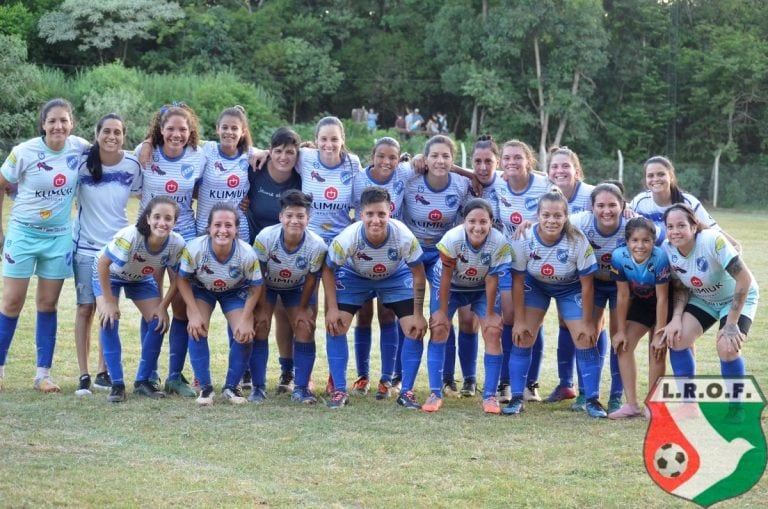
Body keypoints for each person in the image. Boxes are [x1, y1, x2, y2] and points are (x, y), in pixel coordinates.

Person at [0, 98, 89, 393]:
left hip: (58, 237)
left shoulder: (79, 147)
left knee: (47, 304)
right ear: (43, 124)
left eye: (64, 120)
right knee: (12, 302)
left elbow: (110, 148)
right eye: (52, 121)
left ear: (71, 123)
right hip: (23, 234)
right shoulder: (23, 152)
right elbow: (1, 183)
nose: (58, 126)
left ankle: (43, 375)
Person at [504, 188, 606, 418]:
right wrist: (519, 321)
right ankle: (517, 398)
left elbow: (588, 285)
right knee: (524, 334)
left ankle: (592, 399)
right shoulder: (524, 237)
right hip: (536, 285)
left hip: (570, 287)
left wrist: (589, 322)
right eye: (546, 215)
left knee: (584, 337)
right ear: (537, 216)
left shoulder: (577, 240)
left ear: (566, 216)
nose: (552, 220)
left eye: (558, 215)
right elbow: (518, 281)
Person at [322, 186, 427, 409]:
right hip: (354, 275)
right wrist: (331, 308)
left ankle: (406, 391)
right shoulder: (348, 238)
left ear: (390, 212)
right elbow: (328, 270)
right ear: (361, 215)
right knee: (336, 325)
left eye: (381, 214)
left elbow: (418, 273)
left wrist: (418, 313)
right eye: (370, 214)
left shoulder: (403, 235)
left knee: (414, 329)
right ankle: (339, 391)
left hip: (394, 276)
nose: (376, 220)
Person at [72, 113, 142, 396]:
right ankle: (83, 375)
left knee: (108, 310)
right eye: (107, 131)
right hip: (85, 248)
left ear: (124, 136)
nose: (112, 137)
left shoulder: (133, 165)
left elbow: (145, 195)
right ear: (97, 133)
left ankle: (103, 371)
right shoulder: (80, 162)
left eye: (118, 132)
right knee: (85, 309)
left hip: (116, 251)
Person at [138, 104, 205, 397]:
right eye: (171, 129)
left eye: (182, 129)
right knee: (151, 305)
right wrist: (147, 143)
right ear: (160, 131)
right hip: (149, 239)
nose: (177, 134)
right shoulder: (146, 154)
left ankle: (175, 376)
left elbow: (241, 149)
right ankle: (147, 374)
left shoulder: (200, 156)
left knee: (180, 306)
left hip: (184, 237)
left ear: (190, 133)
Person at [94, 196, 186, 402]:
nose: (162, 222)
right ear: (147, 218)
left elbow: (179, 278)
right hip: (111, 274)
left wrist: (163, 306)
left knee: (158, 321)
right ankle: (116, 384)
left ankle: (143, 381)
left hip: (140, 277)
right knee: (109, 319)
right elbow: (102, 264)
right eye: (157, 217)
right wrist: (108, 302)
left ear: (175, 222)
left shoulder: (177, 243)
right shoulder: (130, 236)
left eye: (168, 218)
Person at [426, 198, 511, 414]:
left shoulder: (499, 242)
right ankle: (435, 393)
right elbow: (445, 277)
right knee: (439, 328)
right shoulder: (452, 238)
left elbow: (493, 280)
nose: (477, 227)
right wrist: (442, 313)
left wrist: (491, 314)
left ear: (491, 222)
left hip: (482, 286)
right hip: (451, 285)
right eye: (472, 221)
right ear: (464, 221)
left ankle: (490, 396)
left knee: (492, 331)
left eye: (483, 222)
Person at [401, 135, 471, 396]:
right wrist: (409, 160)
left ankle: (448, 379)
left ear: (453, 161)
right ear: (425, 159)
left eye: (446, 156)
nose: (440, 161)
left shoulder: (462, 184)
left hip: (444, 255)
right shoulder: (410, 178)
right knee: (407, 311)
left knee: (441, 313)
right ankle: (397, 376)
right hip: (413, 253)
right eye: (434, 156)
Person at [348, 137, 416, 399]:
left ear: (399, 160)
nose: (387, 161)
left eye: (392, 157)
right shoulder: (357, 178)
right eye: (381, 156)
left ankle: (386, 379)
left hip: (392, 256)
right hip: (361, 255)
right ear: (372, 156)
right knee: (363, 316)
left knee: (387, 316)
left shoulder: (403, 173)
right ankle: (362, 376)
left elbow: (435, 162)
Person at [659, 204, 758, 383]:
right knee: (677, 339)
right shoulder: (668, 248)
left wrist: (731, 323)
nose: (675, 231)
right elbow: (680, 286)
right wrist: (676, 318)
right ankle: (689, 404)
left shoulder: (712, 241)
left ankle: (737, 408)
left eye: (681, 225)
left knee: (727, 347)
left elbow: (744, 279)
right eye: (670, 227)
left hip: (736, 297)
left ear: (694, 226)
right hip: (704, 299)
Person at [176, 203, 263, 406]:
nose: (222, 230)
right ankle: (205, 388)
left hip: (234, 291)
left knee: (244, 334)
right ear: (209, 228)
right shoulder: (195, 248)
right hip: (202, 289)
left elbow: (256, 286)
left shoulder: (247, 254)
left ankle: (232, 386)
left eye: (228, 225)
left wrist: (246, 318)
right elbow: (181, 279)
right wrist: (193, 312)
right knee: (196, 328)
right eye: (217, 225)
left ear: (236, 229)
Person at [252, 190, 327, 404]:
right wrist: (262, 308)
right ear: (281, 217)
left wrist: (303, 309)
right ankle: (258, 387)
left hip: (298, 287)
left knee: (304, 326)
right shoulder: (266, 237)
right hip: (268, 286)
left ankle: (301, 387)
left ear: (308, 219)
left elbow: (312, 279)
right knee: (260, 325)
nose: (295, 220)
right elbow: (259, 275)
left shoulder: (317, 245)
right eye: (290, 215)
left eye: (300, 216)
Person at [244, 127, 303, 393]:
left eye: (289, 152)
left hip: (290, 252)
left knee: (283, 312)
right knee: (255, 312)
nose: (283, 157)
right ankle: (246, 369)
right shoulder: (255, 170)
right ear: (269, 152)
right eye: (277, 151)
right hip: (256, 253)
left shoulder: (301, 177)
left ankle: (287, 370)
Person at [494, 139, 550, 403]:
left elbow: (560, 211)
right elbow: (473, 173)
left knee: (533, 324)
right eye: (507, 158)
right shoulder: (497, 182)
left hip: (538, 264)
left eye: (518, 157)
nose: (512, 162)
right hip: (508, 262)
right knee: (509, 317)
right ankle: (504, 383)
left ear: (529, 161)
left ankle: (531, 384)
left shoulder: (544, 185)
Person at [543, 146, 596, 407]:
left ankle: (588, 390)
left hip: (590, 269)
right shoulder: (545, 192)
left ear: (577, 170)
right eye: (555, 166)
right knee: (565, 324)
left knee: (593, 326)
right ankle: (567, 384)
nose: (560, 170)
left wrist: (627, 211)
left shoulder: (590, 194)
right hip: (558, 270)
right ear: (548, 171)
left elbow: (615, 205)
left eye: (566, 166)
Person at [570, 183, 630, 415]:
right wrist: (528, 225)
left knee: (619, 335)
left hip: (621, 287)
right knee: (588, 333)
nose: (607, 211)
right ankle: (585, 392)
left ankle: (616, 396)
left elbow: (661, 233)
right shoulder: (581, 222)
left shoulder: (630, 225)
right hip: (591, 284)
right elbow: (549, 223)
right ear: (592, 207)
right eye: (601, 205)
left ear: (623, 206)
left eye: (613, 205)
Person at [608, 217, 670, 419]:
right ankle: (632, 404)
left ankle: (653, 405)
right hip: (641, 304)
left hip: (661, 305)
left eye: (646, 241)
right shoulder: (618, 256)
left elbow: (662, 298)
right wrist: (620, 330)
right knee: (623, 346)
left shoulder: (660, 257)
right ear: (627, 242)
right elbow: (623, 295)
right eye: (635, 240)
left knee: (657, 350)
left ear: (653, 241)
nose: (640, 245)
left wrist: (660, 333)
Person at [630, 156, 739, 249]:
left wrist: (734, 246)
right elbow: (624, 217)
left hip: (683, 260)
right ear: (645, 180)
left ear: (671, 177)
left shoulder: (688, 202)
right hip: (654, 262)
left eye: (661, 174)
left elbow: (712, 230)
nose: (656, 179)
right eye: (650, 175)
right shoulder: (640, 202)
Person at [196, 106, 254, 242]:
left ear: (243, 132)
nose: (229, 132)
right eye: (225, 127)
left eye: (234, 128)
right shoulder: (207, 149)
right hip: (206, 227)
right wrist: (148, 143)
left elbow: (275, 154)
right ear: (217, 129)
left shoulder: (249, 154)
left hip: (238, 230)